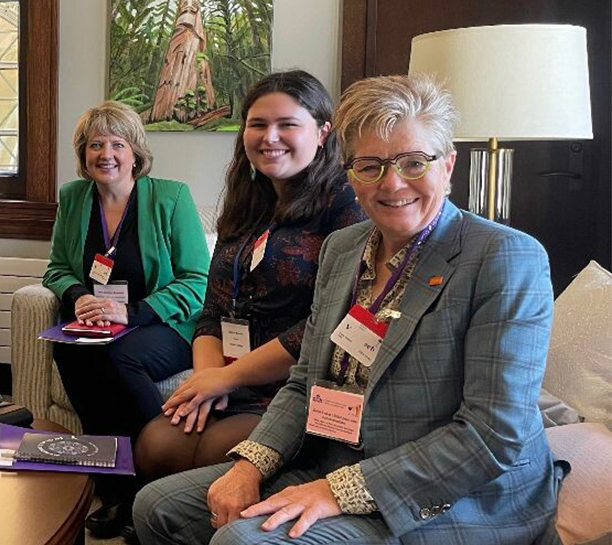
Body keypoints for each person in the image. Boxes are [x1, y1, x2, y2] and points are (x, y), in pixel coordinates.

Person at [134, 74, 563, 545]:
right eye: (371, 165)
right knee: (157, 508)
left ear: (449, 165)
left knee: (241, 541)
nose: (393, 183)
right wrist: (249, 464)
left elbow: (491, 434)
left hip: (453, 493)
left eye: (414, 162)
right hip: (337, 458)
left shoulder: (504, 257)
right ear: (350, 173)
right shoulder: (343, 248)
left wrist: (336, 492)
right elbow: (304, 381)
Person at [135, 71, 365, 481]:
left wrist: (225, 378)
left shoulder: (346, 206)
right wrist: (207, 379)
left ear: (322, 132)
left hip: (298, 387)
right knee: (155, 445)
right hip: (231, 379)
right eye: (257, 124)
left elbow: (325, 327)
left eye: (287, 125)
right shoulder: (246, 202)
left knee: (215, 455)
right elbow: (213, 310)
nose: (269, 137)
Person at [42, 101, 209, 540]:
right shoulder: (73, 198)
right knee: (70, 348)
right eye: (95, 144)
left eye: (118, 144)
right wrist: (77, 296)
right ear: (83, 155)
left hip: (163, 323)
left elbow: (198, 280)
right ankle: (117, 490)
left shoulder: (171, 197)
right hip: (97, 322)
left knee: (117, 356)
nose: (106, 154)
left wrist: (131, 312)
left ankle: (157, 484)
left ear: (136, 153)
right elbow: (57, 268)